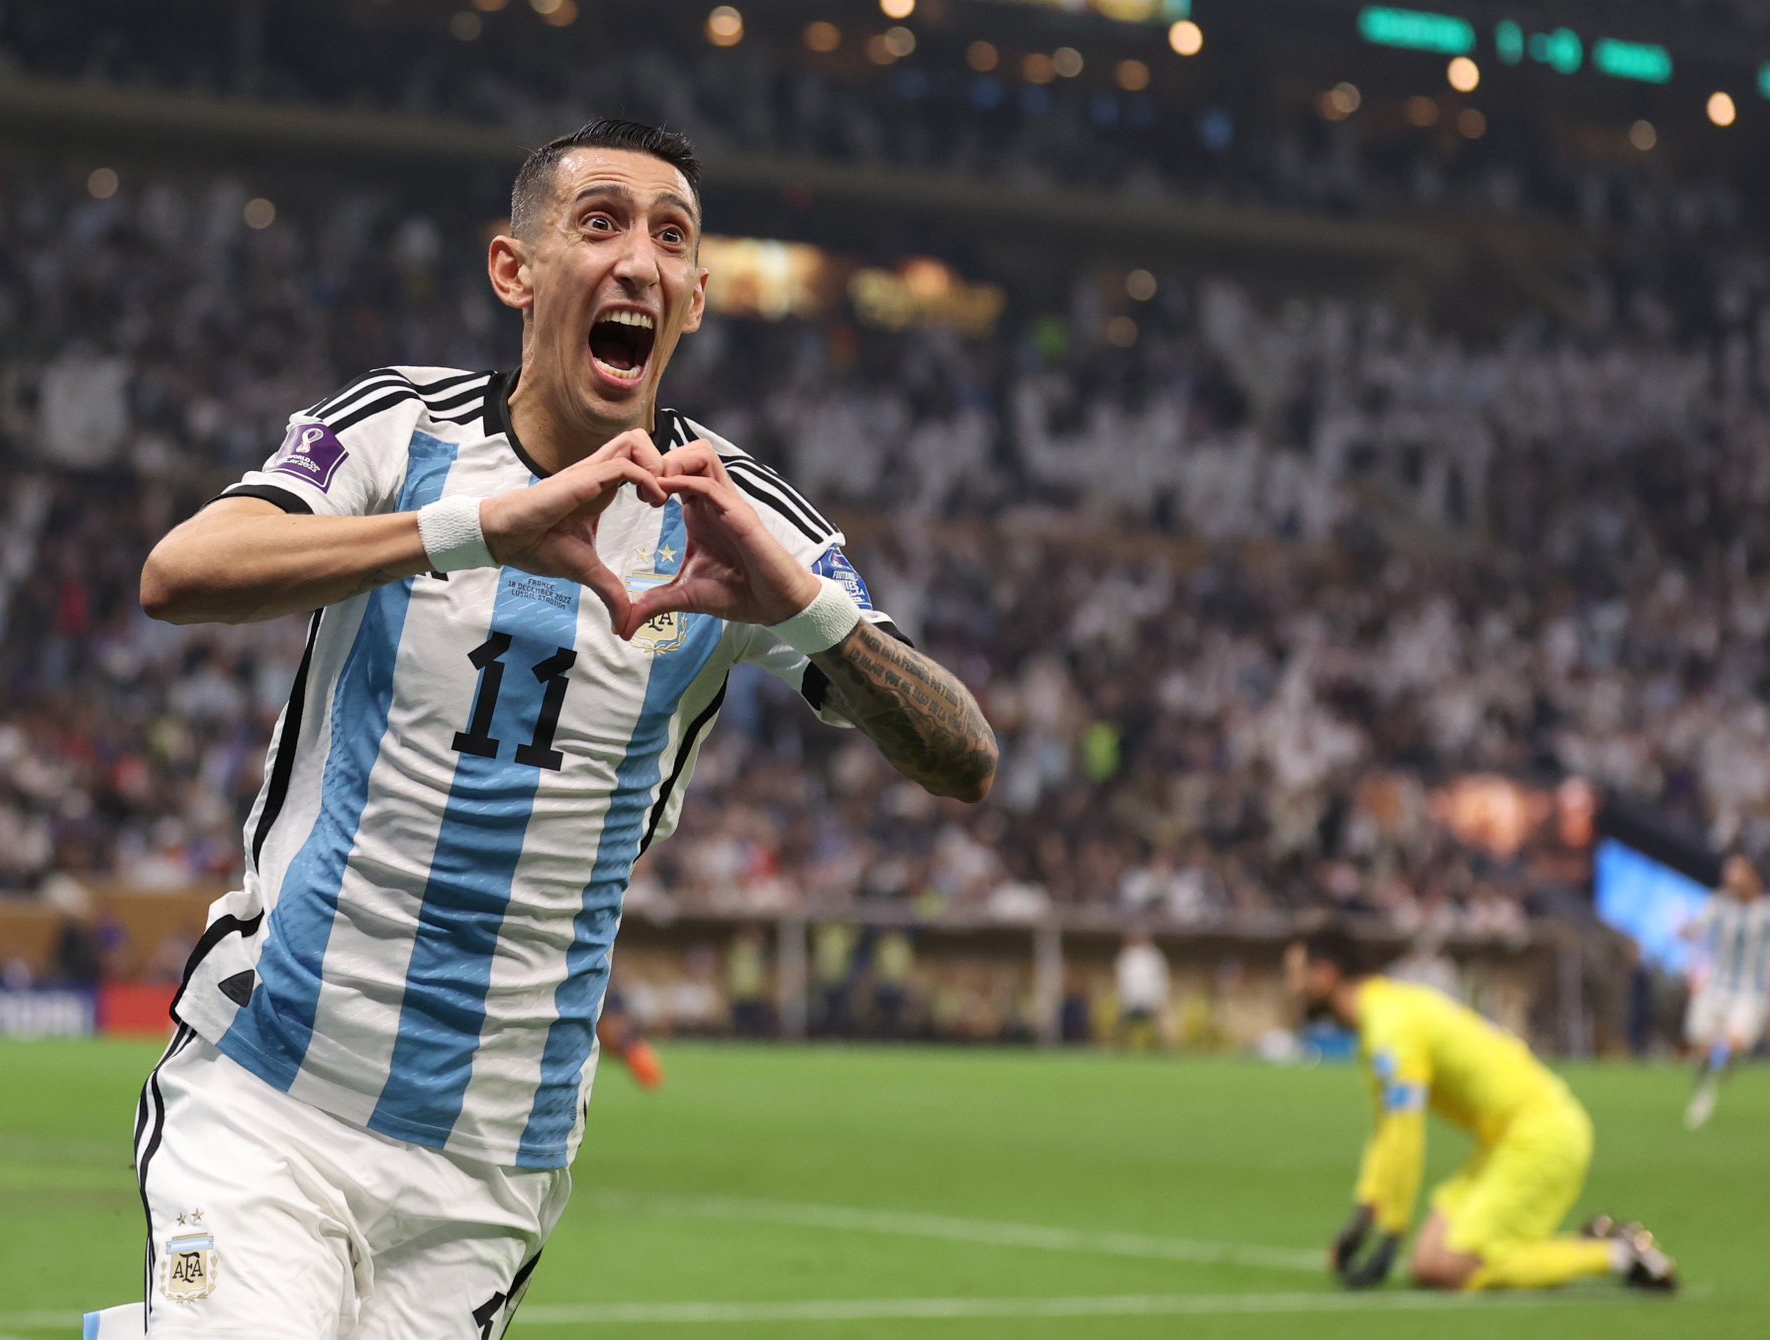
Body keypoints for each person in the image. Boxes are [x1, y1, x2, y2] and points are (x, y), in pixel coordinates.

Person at [116, 119, 997, 1339]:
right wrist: (482, 528)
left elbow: (963, 757)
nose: (639, 258)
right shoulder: (402, 429)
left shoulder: (735, 515)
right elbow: (182, 572)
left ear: (694, 298)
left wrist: (806, 610)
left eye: (671, 238)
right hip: (272, 1093)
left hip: (489, 1160)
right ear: (513, 268)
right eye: (600, 222)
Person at [1286, 927, 1677, 1294]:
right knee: (1429, 1262)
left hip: (1541, 1136)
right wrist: (1364, 1216)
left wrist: (1393, 1229)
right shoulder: (1386, 1013)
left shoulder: (1391, 1028)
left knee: (1451, 1267)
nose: (1291, 988)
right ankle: (1596, 1243)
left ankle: (1618, 1255)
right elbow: (1388, 1131)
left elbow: (1404, 1135)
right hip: (1505, 1141)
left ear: (1325, 975)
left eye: (1296, 975)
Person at [1682, 852, 1770, 1129]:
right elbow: (1695, 930)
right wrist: (1684, 930)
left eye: (1737, 871)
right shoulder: (1719, 904)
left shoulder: (1765, 913)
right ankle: (1705, 1083)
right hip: (1714, 988)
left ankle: (1715, 1079)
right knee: (1700, 1047)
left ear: (1752, 876)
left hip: (1748, 992)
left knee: (1736, 1043)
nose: (1730, 877)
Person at [1113, 928, 1169, 1051]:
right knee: (1124, 1026)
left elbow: (1161, 978)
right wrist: (1121, 998)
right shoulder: (1126, 955)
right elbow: (1121, 980)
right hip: (1130, 998)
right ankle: (1120, 1050)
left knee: (1158, 1026)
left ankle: (1164, 1050)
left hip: (1149, 998)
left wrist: (1160, 998)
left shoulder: (1155, 955)